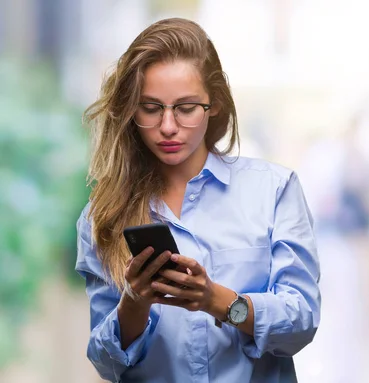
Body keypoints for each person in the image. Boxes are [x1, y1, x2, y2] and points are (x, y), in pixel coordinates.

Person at [75, 18, 321, 383]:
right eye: (151, 108)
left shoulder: (273, 190)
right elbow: (106, 364)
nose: (169, 126)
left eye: (186, 108)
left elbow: (300, 323)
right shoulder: (103, 216)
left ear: (215, 104)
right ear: (131, 111)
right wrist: (135, 302)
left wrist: (216, 301)